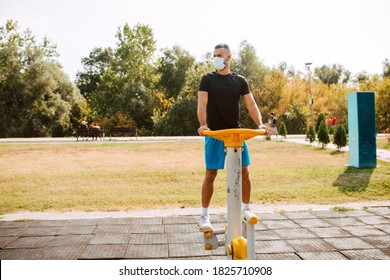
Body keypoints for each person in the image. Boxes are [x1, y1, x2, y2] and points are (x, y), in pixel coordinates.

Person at [197, 43, 267, 230]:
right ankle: (204, 215)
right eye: (214, 55)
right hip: (215, 134)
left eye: (220, 55)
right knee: (210, 174)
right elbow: (202, 104)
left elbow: (251, 105)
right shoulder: (207, 80)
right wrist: (203, 124)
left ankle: (246, 209)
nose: (216, 58)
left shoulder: (240, 81)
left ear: (229, 57)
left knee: (245, 171)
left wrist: (259, 124)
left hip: (235, 134)